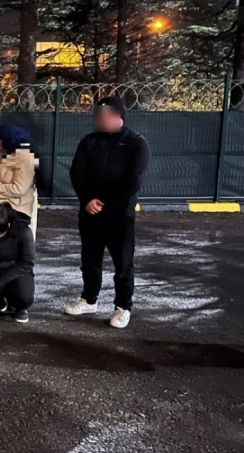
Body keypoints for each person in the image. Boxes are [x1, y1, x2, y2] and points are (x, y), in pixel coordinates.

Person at [66, 96, 150, 329]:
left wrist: (106, 204)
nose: (100, 120)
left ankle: (123, 307)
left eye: (105, 115)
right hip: (89, 212)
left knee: (123, 264)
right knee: (90, 260)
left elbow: (132, 181)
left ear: (118, 116)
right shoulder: (89, 141)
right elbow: (77, 173)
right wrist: (87, 200)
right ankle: (89, 299)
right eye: (98, 115)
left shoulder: (136, 143)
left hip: (119, 216)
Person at [0, 124, 38, 237]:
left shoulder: (25, 158)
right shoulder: (6, 156)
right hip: (1, 209)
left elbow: (19, 188)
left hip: (16, 213)